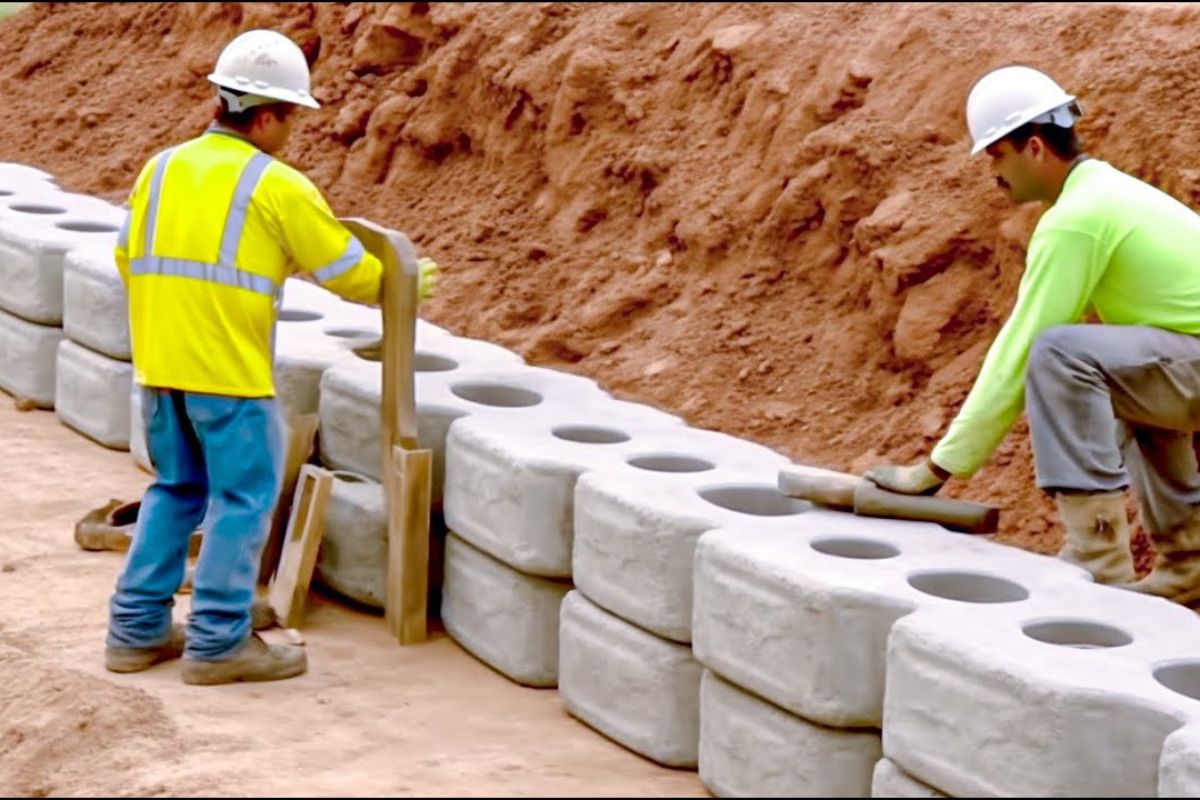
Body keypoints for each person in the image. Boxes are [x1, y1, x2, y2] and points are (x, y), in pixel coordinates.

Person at [104, 29, 437, 683]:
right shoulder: (277, 185)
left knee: (175, 491)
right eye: (290, 118)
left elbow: (126, 256)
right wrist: (403, 279)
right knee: (243, 500)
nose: (292, 132)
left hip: (160, 368)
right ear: (264, 118)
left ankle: (134, 631)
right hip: (229, 375)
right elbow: (348, 272)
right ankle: (218, 641)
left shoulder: (162, 168)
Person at [865, 65, 1200, 606]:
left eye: (998, 156)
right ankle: (1188, 566)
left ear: (1036, 148)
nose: (994, 173)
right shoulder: (1107, 192)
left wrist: (940, 467)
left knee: (1062, 354)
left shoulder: (1077, 218)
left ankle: (1098, 561)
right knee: (1124, 372)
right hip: (1190, 360)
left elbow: (1025, 346)